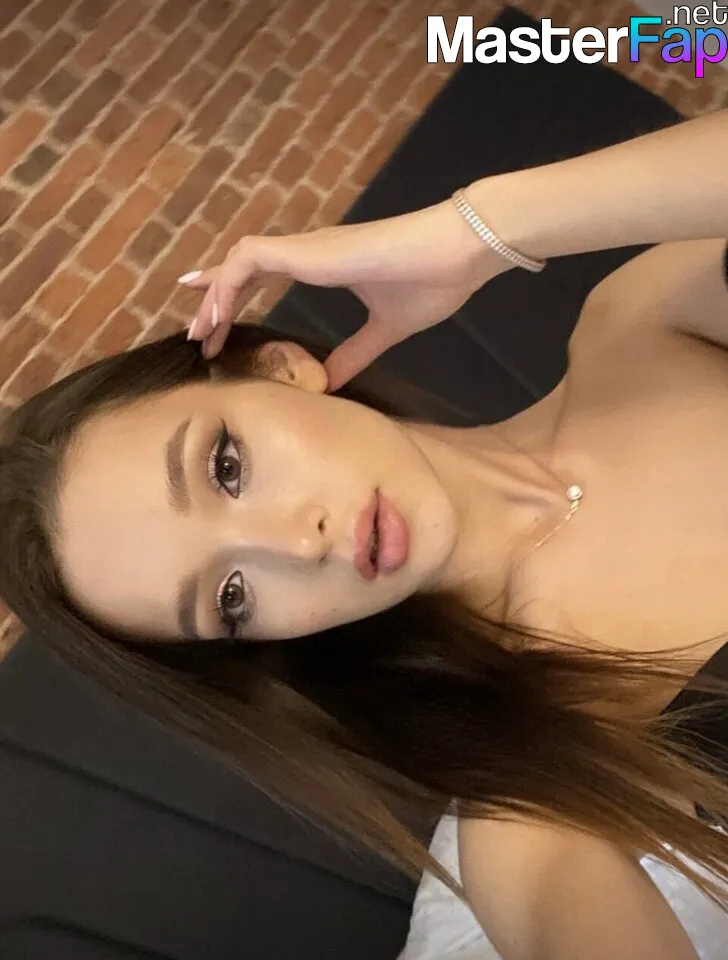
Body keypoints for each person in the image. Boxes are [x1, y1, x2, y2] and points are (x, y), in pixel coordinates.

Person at [2, 108, 728, 960]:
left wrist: (477, 230)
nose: (297, 546)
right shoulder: (531, 795)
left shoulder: (640, 330)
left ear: (279, 369)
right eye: (230, 598)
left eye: (226, 467)